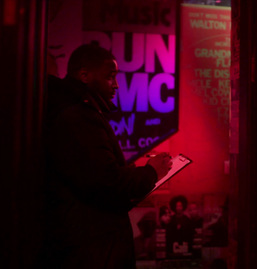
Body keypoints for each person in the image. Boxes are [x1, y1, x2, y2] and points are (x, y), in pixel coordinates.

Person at [41, 43, 172, 269]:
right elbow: (106, 182)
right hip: (92, 244)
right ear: (84, 75)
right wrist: (152, 172)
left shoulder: (74, 110)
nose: (116, 85)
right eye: (110, 77)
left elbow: (95, 173)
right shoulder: (78, 116)